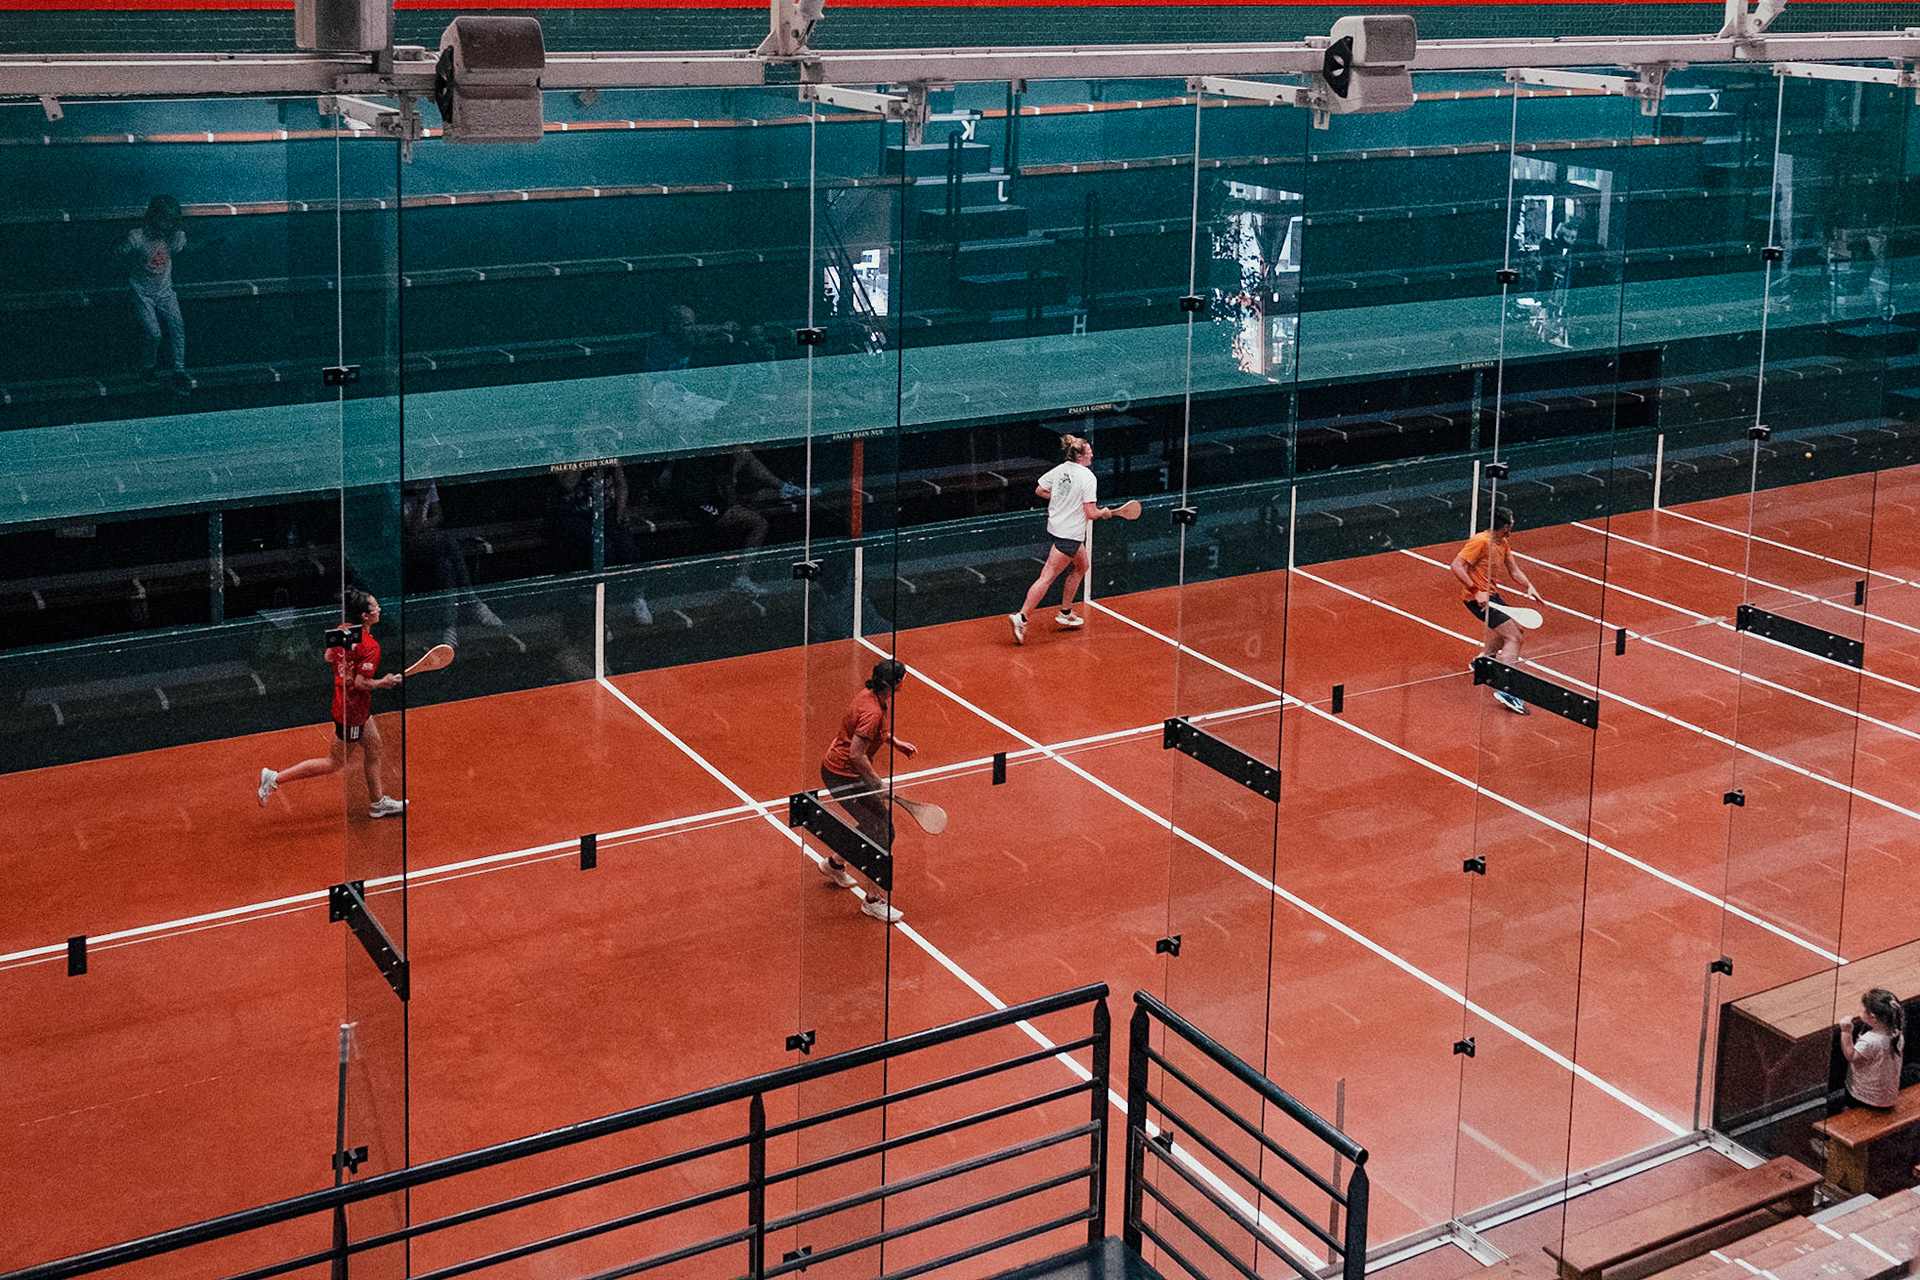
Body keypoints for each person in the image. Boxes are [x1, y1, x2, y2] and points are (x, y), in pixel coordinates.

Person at [256, 588, 408, 818]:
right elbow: (361, 682)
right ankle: (275, 778)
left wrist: (346, 664)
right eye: (375, 607)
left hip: (345, 703)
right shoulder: (370, 647)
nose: (379, 609)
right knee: (334, 763)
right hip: (353, 710)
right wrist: (384, 682)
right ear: (366, 616)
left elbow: (328, 656)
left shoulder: (343, 631)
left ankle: (378, 803)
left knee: (374, 748)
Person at [817, 658, 918, 923]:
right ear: (896, 684)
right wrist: (878, 784)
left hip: (840, 771)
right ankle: (873, 900)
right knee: (884, 833)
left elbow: (867, 733)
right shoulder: (873, 712)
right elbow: (857, 754)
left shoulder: (870, 696)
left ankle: (835, 864)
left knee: (876, 828)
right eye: (904, 677)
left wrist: (895, 743)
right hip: (844, 776)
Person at [1008, 434, 1123, 644]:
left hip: (1059, 528)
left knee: (1082, 566)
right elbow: (1091, 513)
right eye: (1088, 453)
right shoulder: (1088, 477)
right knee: (1047, 576)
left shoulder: (1060, 470)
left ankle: (1065, 612)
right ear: (1079, 456)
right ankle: (1021, 617)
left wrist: (1064, 498)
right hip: (1070, 534)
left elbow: (1040, 489)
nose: (1092, 456)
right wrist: (1104, 513)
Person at [1450, 506, 1543, 716]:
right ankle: (1507, 690)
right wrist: (1476, 591)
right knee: (1515, 637)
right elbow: (1456, 565)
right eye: (1511, 525)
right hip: (1479, 599)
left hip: (1492, 596)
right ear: (1505, 526)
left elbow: (1514, 570)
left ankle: (1485, 660)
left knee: (1511, 629)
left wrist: (1529, 585)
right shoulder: (1480, 541)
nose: (1512, 529)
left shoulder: (1503, 543)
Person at [122, 195, 189, 390]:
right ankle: (147, 367)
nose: (167, 227)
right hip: (141, 292)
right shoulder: (139, 236)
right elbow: (125, 249)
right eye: (164, 221)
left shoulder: (174, 237)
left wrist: (210, 243)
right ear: (153, 218)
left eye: (171, 223)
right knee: (154, 334)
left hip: (165, 292)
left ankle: (179, 370)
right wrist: (122, 250)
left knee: (177, 325)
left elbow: (186, 248)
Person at [1838, 988, 1905, 1111]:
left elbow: (1851, 1055)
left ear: (1873, 1017)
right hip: (1888, 1095)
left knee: (1849, 1105)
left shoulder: (1870, 1041)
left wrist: (1846, 1032)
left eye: (1863, 1009)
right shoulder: (1896, 1033)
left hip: (1865, 1098)